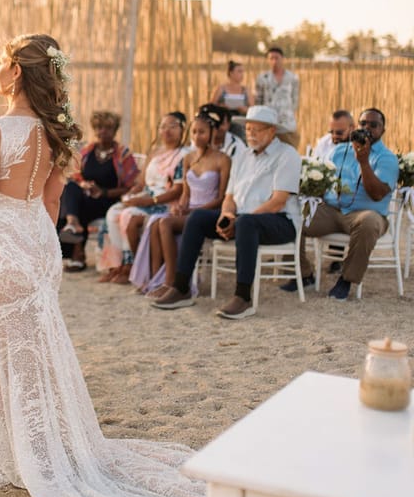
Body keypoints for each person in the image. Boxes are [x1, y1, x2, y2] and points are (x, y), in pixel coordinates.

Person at [0, 33, 262, 497]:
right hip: (35, 244)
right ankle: (30, 447)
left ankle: (9, 453)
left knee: (2, 348)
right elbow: (48, 202)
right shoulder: (51, 133)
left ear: (17, 73)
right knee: (33, 351)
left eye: (2, 62)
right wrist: (36, 250)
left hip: (0, 244)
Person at [151, 105, 302, 319]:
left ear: (272, 131)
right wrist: (227, 216)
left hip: (280, 222)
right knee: (197, 218)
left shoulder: (287, 155)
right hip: (242, 219)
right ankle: (181, 287)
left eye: (257, 130)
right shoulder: (243, 156)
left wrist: (240, 219)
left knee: (246, 223)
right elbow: (229, 197)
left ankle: (243, 298)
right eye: (248, 129)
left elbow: (278, 201)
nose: (250, 134)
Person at [282, 108, 398, 300]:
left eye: (373, 125)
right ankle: (303, 274)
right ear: (356, 126)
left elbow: (377, 194)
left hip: (366, 214)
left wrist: (364, 162)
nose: (367, 128)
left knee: (369, 222)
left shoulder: (387, 158)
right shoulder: (339, 151)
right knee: (293, 212)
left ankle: (346, 280)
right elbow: (324, 179)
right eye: (363, 124)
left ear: (383, 130)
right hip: (331, 210)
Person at [131, 112, 230, 295]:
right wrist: (180, 206)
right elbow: (185, 193)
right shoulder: (189, 158)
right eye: (193, 132)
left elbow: (222, 198)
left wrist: (194, 209)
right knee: (155, 223)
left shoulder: (222, 159)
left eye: (202, 132)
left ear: (211, 133)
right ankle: (154, 281)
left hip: (208, 211)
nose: (197, 136)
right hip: (189, 210)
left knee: (165, 223)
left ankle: (171, 282)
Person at [97, 112, 187, 283]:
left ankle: (132, 265)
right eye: (163, 126)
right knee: (113, 212)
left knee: (127, 215)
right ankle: (118, 265)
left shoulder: (184, 155)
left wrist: (146, 201)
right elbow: (141, 181)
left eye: (172, 126)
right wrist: (132, 193)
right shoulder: (155, 153)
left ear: (183, 129)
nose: (167, 130)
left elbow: (177, 191)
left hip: (165, 201)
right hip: (147, 196)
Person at [57, 110, 139, 272]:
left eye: (107, 128)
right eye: (99, 127)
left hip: (111, 200)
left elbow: (131, 186)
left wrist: (104, 193)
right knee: (71, 188)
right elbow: (76, 176)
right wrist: (85, 185)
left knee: (73, 206)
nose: (103, 131)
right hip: (89, 198)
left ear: (115, 131)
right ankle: (73, 224)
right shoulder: (87, 152)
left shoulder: (123, 154)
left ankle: (77, 251)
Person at [254, 45, 300, 147]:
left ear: (282, 59)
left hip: (287, 122)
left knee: (289, 150)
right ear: (268, 60)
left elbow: (295, 99)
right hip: (268, 122)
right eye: (271, 58)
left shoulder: (293, 78)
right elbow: (258, 100)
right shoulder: (262, 78)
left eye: (277, 58)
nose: (274, 61)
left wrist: (287, 111)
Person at [209, 59, 252, 140]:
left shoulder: (246, 90)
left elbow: (252, 109)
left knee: (238, 126)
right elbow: (211, 106)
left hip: (240, 120)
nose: (242, 74)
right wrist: (221, 107)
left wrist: (244, 109)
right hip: (224, 119)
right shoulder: (221, 89)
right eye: (239, 71)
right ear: (231, 73)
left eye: (243, 72)